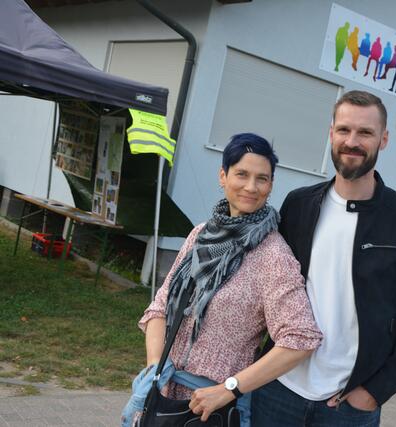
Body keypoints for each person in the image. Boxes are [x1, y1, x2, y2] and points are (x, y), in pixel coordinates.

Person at [251, 91, 396, 426]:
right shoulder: (299, 205)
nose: (352, 141)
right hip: (277, 390)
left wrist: (375, 392)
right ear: (331, 133)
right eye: (343, 130)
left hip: (348, 406)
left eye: (365, 132)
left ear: (383, 139)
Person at [122, 133, 322, 426]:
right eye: (242, 174)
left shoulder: (272, 255)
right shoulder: (201, 235)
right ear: (223, 176)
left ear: (271, 186)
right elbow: (160, 307)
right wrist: (155, 368)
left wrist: (229, 389)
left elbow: (301, 338)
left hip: (212, 409)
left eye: (262, 179)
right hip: (163, 396)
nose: (251, 187)